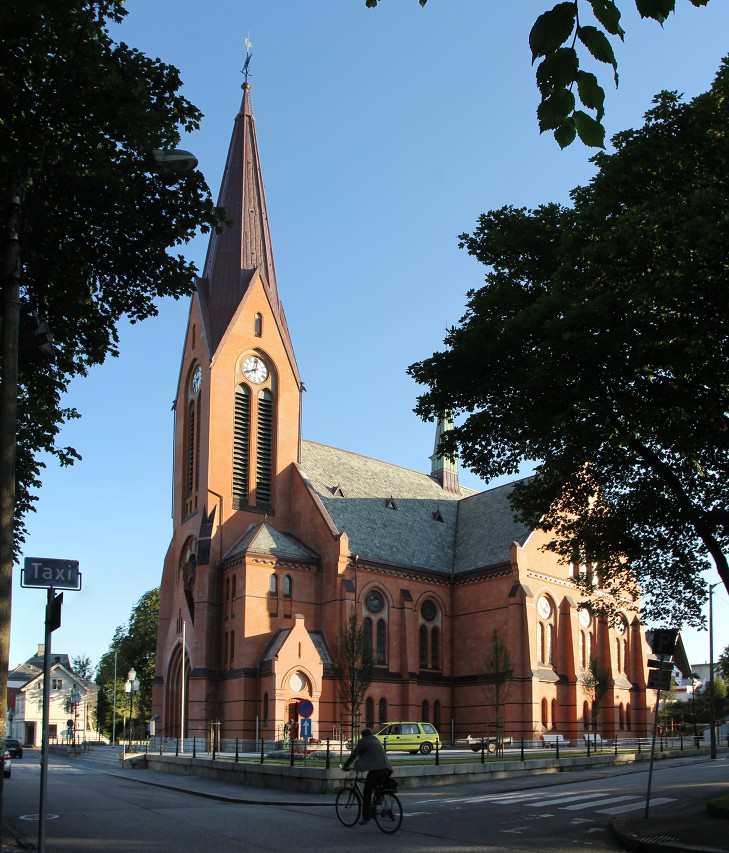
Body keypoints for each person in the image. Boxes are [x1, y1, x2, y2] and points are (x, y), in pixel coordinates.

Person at [342, 728, 392, 825]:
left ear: (363, 735)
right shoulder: (376, 740)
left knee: (367, 792)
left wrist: (346, 765)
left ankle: (366, 817)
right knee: (377, 787)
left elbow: (354, 754)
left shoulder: (363, 741)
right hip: (387, 769)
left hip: (376, 770)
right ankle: (380, 798)